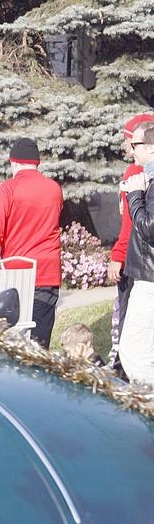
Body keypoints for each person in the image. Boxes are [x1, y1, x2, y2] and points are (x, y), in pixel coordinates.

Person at [0, 137, 63, 348]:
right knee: (40, 338)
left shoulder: (7, 189)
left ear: (13, 162)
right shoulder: (54, 189)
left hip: (16, 271)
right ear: (37, 163)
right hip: (48, 271)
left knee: (12, 336)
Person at [108, 113, 154, 367]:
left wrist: (117, 255)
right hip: (143, 266)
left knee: (133, 347)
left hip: (145, 271)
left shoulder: (138, 175)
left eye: (132, 142)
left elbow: (138, 226)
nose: (128, 148)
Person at [120, 122, 154, 385]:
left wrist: (135, 195)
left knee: (132, 352)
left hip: (150, 277)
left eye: (136, 145)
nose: (132, 151)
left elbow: (149, 228)